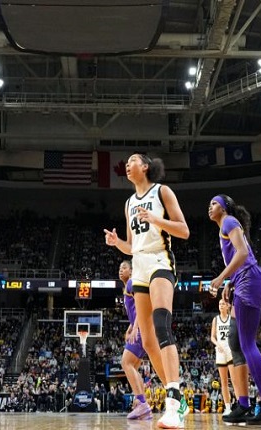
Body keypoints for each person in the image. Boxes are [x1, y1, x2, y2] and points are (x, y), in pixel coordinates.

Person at [104, 153, 190, 429]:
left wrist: (156, 219)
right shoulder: (129, 203)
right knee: (149, 340)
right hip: (139, 266)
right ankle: (174, 393)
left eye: (132, 160)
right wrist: (117, 243)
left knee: (162, 325)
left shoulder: (162, 191)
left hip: (160, 261)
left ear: (145, 166)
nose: (127, 165)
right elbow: (133, 247)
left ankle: (173, 405)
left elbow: (184, 230)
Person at [207, 194, 261, 425]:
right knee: (237, 342)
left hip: (250, 280)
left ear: (225, 207)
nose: (209, 207)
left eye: (214, 203)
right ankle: (243, 405)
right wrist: (231, 282)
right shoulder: (226, 226)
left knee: (247, 344)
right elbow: (244, 256)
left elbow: (242, 254)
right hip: (244, 280)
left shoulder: (229, 221)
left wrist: (220, 278)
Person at [119, 259, 155, 420]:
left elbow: (144, 306)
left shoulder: (132, 283)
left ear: (132, 271)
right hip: (141, 327)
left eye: (124, 267)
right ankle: (143, 404)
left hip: (141, 328)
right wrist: (130, 327)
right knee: (133, 366)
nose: (121, 270)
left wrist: (135, 328)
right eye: (120, 268)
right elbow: (135, 311)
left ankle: (141, 403)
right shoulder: (129, 285)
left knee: (125, 363)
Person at [210, 298, 233, 415]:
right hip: (220, 351)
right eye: (219, 304)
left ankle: (241, 405)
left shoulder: (232, 319)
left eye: (223, 304)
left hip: (231, 350)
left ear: (228, 306)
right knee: (223, 382)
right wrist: (217, 344)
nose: (221, 305)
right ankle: (228, 407)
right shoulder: (216, 319)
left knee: (234, 380)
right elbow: (212, 337)